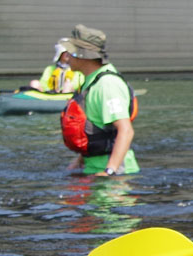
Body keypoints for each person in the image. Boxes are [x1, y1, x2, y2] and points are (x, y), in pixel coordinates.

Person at [59, 24, 139, 176]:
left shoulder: (107, 84)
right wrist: (78, 162)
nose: (66, 58)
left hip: (116, 175)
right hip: (92, 169)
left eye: (69, 52)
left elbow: (126, 130)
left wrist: (110, 171)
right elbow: (96, 126)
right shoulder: (91, 81)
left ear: (81, 55)